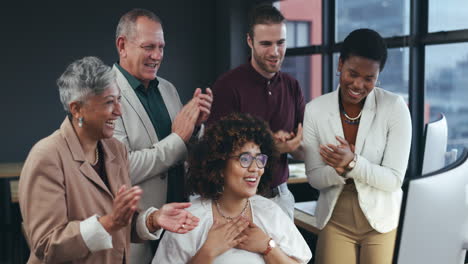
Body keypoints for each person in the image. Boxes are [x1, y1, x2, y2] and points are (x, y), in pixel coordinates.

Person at [18, 56, 199, 263]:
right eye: (109, 102)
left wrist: (153, 219)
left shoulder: (115, 150)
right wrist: (109, 223)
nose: (119, 111)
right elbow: (47, 246)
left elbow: (124, 222)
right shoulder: (47, 157)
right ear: (77, 109)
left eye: (119, 99)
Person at [303, 29, 412, 264]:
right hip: (336, 219)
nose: (358, 84)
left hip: (381, 220)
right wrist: (339, 170)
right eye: (352, 73)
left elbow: (394, 179)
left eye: (369, 78)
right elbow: (314, 177)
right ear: (340, 64)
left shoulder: (394, 107)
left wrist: (352, 163)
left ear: (378, 76)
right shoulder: (315, 110)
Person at [112, 8, 213, 262]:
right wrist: (179, 139)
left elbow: (184, 155)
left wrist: (196, 128)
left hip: (178, 229)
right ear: (122, 46)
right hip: (136, 233)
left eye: (161, 47)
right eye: (148, 47)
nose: (157, 56)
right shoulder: (105, 95)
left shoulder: (168, 89)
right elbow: (123, 169)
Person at [153, 113, 312, 264]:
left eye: (259, 159)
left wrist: (268, 246)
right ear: (219, 165)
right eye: (245, 159)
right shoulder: (191, 220)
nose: (255, 168)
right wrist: (208, 252)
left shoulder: (270, 212)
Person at [207, 4, 304, 220]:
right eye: (266, 44)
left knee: (288, 255)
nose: (275, 52)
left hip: (280, 197)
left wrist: (294, 145)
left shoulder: (292, 86)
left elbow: (302, 150)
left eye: (280, 43)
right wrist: (270, 148)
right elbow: (215, 153)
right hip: (238, 201)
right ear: (249, 41)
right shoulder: (227, 86)